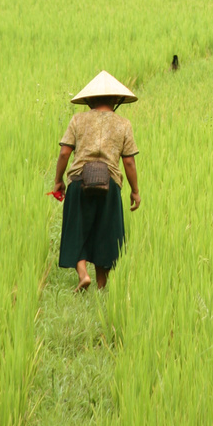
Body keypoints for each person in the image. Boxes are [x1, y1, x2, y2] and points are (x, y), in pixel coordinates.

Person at [52, 71, 141, 291]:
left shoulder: (78, 120)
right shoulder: (124, 124)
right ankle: (101, 287)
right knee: (105, 232)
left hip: (79, 180)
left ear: (89, 100)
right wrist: (135, 191)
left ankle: (83, 274)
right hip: (109, 184)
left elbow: (64, 153)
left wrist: (58, 181)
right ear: (115, 100)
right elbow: (129, 162)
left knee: (76, 228)